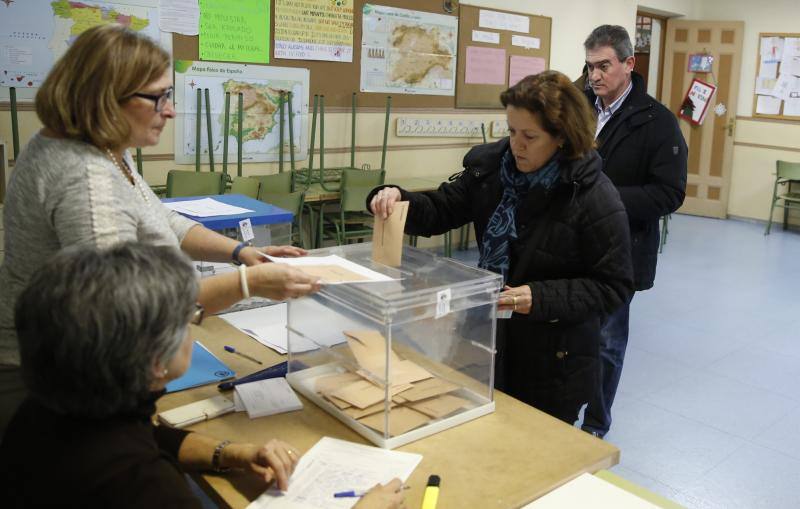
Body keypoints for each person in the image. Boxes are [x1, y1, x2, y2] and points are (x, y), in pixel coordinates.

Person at [0, 24, 321, 434]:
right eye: (157, 98)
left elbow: (160, 218)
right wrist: (247, 284)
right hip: (57, 381)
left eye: (169, 95)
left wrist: (240, 253)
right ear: (105, 98)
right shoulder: (84, 175)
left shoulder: (101, 146)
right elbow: (124, 306)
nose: (169, 111)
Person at [0, 243, 405, 509]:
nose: (195, 326)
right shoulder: (146, 488)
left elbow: (148, 434)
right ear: (153, 362)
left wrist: (230, 453)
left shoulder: (46, 410)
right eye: (188, 320)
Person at [369, 71, 634, 424]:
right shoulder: (491, 170)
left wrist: (540, 297)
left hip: (553, 359)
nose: (516, 145)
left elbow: (614, 286)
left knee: (535, 450)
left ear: (562, 137)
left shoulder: (593, 196)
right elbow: (441, 210)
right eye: (511, 131)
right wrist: (395, 198)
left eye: (529, 136)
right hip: (485, 336)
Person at [580, 25, 687, 438]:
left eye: (603, 66)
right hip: (569, 244)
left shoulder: (657, 123)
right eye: (589, 67)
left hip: (619, 249)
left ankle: (594, 424)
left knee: (607, 341)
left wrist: (604, 199)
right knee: (567, 331)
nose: (594, 76)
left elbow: (669, 193)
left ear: (629, 64)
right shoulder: (577, 108)